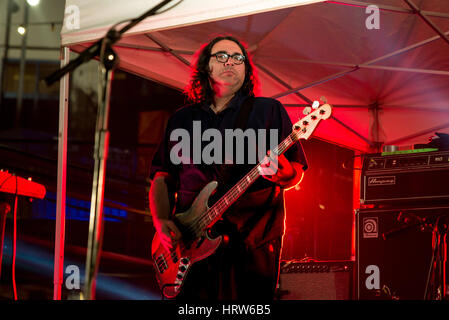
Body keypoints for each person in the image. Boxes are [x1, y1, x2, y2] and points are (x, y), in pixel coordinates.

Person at [149, 35, 308, 300]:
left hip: (251, 242)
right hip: (188, 246)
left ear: (246, 69)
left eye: (238, 58)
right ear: (205, 67)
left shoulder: (267, 111)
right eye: (221, 56)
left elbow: (295, 171)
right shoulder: (182, 119)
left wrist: (284, 173)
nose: (230, 62)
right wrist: (161, 220)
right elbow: (162, 177)